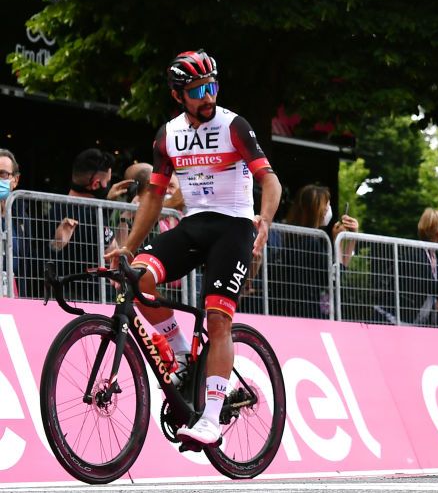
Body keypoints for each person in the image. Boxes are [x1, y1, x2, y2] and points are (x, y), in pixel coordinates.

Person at [104, 49, 282, 448]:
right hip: (194, 224)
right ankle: (183, 353)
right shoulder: (168, 135)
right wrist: (129, 247)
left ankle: (212, 418)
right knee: (138, 280)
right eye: (199, 90)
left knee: (218, 320)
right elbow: (153, 197)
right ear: (177, 96)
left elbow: (270, 181)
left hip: (234, 226)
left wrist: (265, 219)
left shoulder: (234, 125)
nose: (208, 97)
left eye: (212, 86)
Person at [269, 184, 358, 319]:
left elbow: (339, 270)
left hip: (286, 310)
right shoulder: (311, 243)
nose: (328, 209)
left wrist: (351, 238)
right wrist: (337, 241)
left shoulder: (290, 238)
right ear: (318, 210)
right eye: (327, 205)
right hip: (307, 315)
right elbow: (334, 277)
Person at [47, 148, 118, 302]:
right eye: (108, 180)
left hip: (62, 294)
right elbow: (114, 252)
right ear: (96, 184)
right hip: (94, 298)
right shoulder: (94, 215)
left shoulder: (55, 209)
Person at [0, 149, 25, 296]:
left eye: (3, 174)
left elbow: (31, 261)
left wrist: (55, 245)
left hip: (12, 295)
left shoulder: (21, 217)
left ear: (15, 180)